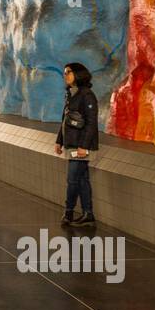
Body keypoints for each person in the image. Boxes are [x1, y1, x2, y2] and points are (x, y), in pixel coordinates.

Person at [54, 62, 100, 227]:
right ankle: (88, 214)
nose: (65, 75)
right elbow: (65, 120)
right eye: (64, 73)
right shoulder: (71, 94)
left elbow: (91, 123)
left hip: (80, 146)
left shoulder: (87, 95)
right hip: (72, 144)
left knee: (73, 180)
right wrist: (59, 140)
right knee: (82, 180)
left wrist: (84, 146)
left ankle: (68, 212)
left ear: (78, 74)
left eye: (68, 72)